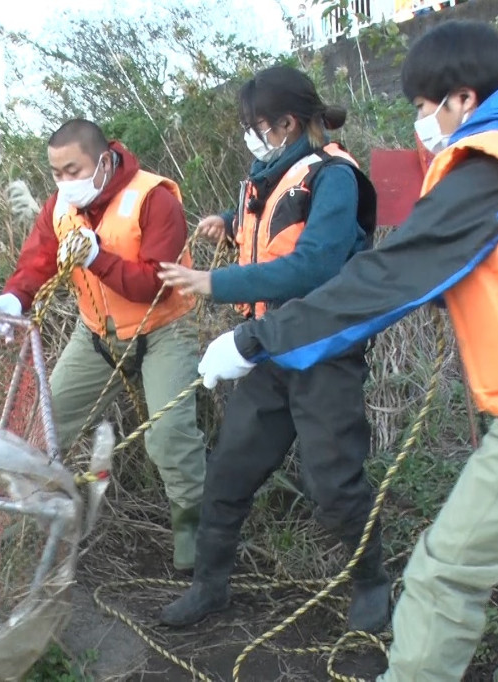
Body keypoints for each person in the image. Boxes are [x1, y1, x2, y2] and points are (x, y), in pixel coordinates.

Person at [193, 21, 498, 682]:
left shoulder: (488, 169)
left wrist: (252, 338)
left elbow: (384, 281)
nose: (422, 122)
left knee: (443, 575)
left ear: (462, 100)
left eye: (423, 108)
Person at [156, 65, 390, 634]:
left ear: (288, 123)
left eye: (257, 126)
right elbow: (270, 219)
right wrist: (229, 221)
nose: (251, 136)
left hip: (323, 354)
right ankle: (209, 588)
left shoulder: (334, 177)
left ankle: (371, 583)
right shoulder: (275, 170)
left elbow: (315, 264)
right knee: (229, 471)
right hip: (269, 353)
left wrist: (216, 283)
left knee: (333, 482)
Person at [0, 119, 208, 571]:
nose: (64, 182)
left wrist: (96, 259)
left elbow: (155, 287)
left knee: (170, 438)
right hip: (96, 335)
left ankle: (196, 546)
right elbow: (38, 259)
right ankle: (25, 529)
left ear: (103, 161)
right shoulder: (60, 208)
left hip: (165, 328)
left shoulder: (154, 199)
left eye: (73, 170)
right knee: (44, 427)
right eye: (56, 173)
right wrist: (14, 298)